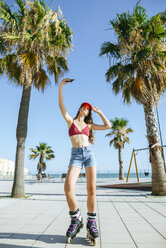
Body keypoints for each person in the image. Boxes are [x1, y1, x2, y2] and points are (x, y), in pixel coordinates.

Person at [59, 78, 111, 244]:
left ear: (89, 113)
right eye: (84, 107)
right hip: (75, 155)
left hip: (89, 154)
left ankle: (92, 221)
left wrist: (99, 112)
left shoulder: (90, 126)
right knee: (68, 188)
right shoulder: (71, 121)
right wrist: (61, 87)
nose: (86, 110)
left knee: (91, 191)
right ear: (80, 109)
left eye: (88, 109)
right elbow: (62, 107)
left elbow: (108, 126)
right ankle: (76, 218)